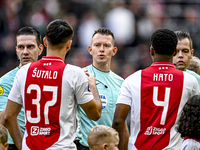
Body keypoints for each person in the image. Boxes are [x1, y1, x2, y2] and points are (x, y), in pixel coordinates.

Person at [3, 19, 102, 150]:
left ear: (44, 42)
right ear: (69, 45)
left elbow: (8, 116)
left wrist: (22, 146)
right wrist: (93, 87)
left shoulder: (24, 72)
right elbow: (95, 114)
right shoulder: (74, 73)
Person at [112, 29, 200, 150]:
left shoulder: (132, 80)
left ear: (151, 51)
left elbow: (117, 120)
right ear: (174, 52)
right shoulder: (190, 81)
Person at [75, 28, 124, 150]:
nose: (101, 49)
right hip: (84, 146)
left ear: (114, 51)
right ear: (90, 50)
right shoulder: (80, 76)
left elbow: (121, 124)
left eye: (106, 46)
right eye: (97, 45)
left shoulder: (121, 83)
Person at [0, 26, 43, 150]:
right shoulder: (5, 82)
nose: (25, 52)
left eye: (30, 47)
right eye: (21, 47)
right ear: (16, 50)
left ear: (40, 49)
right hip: (14, 145)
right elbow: (4, 119)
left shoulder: (49, 78)